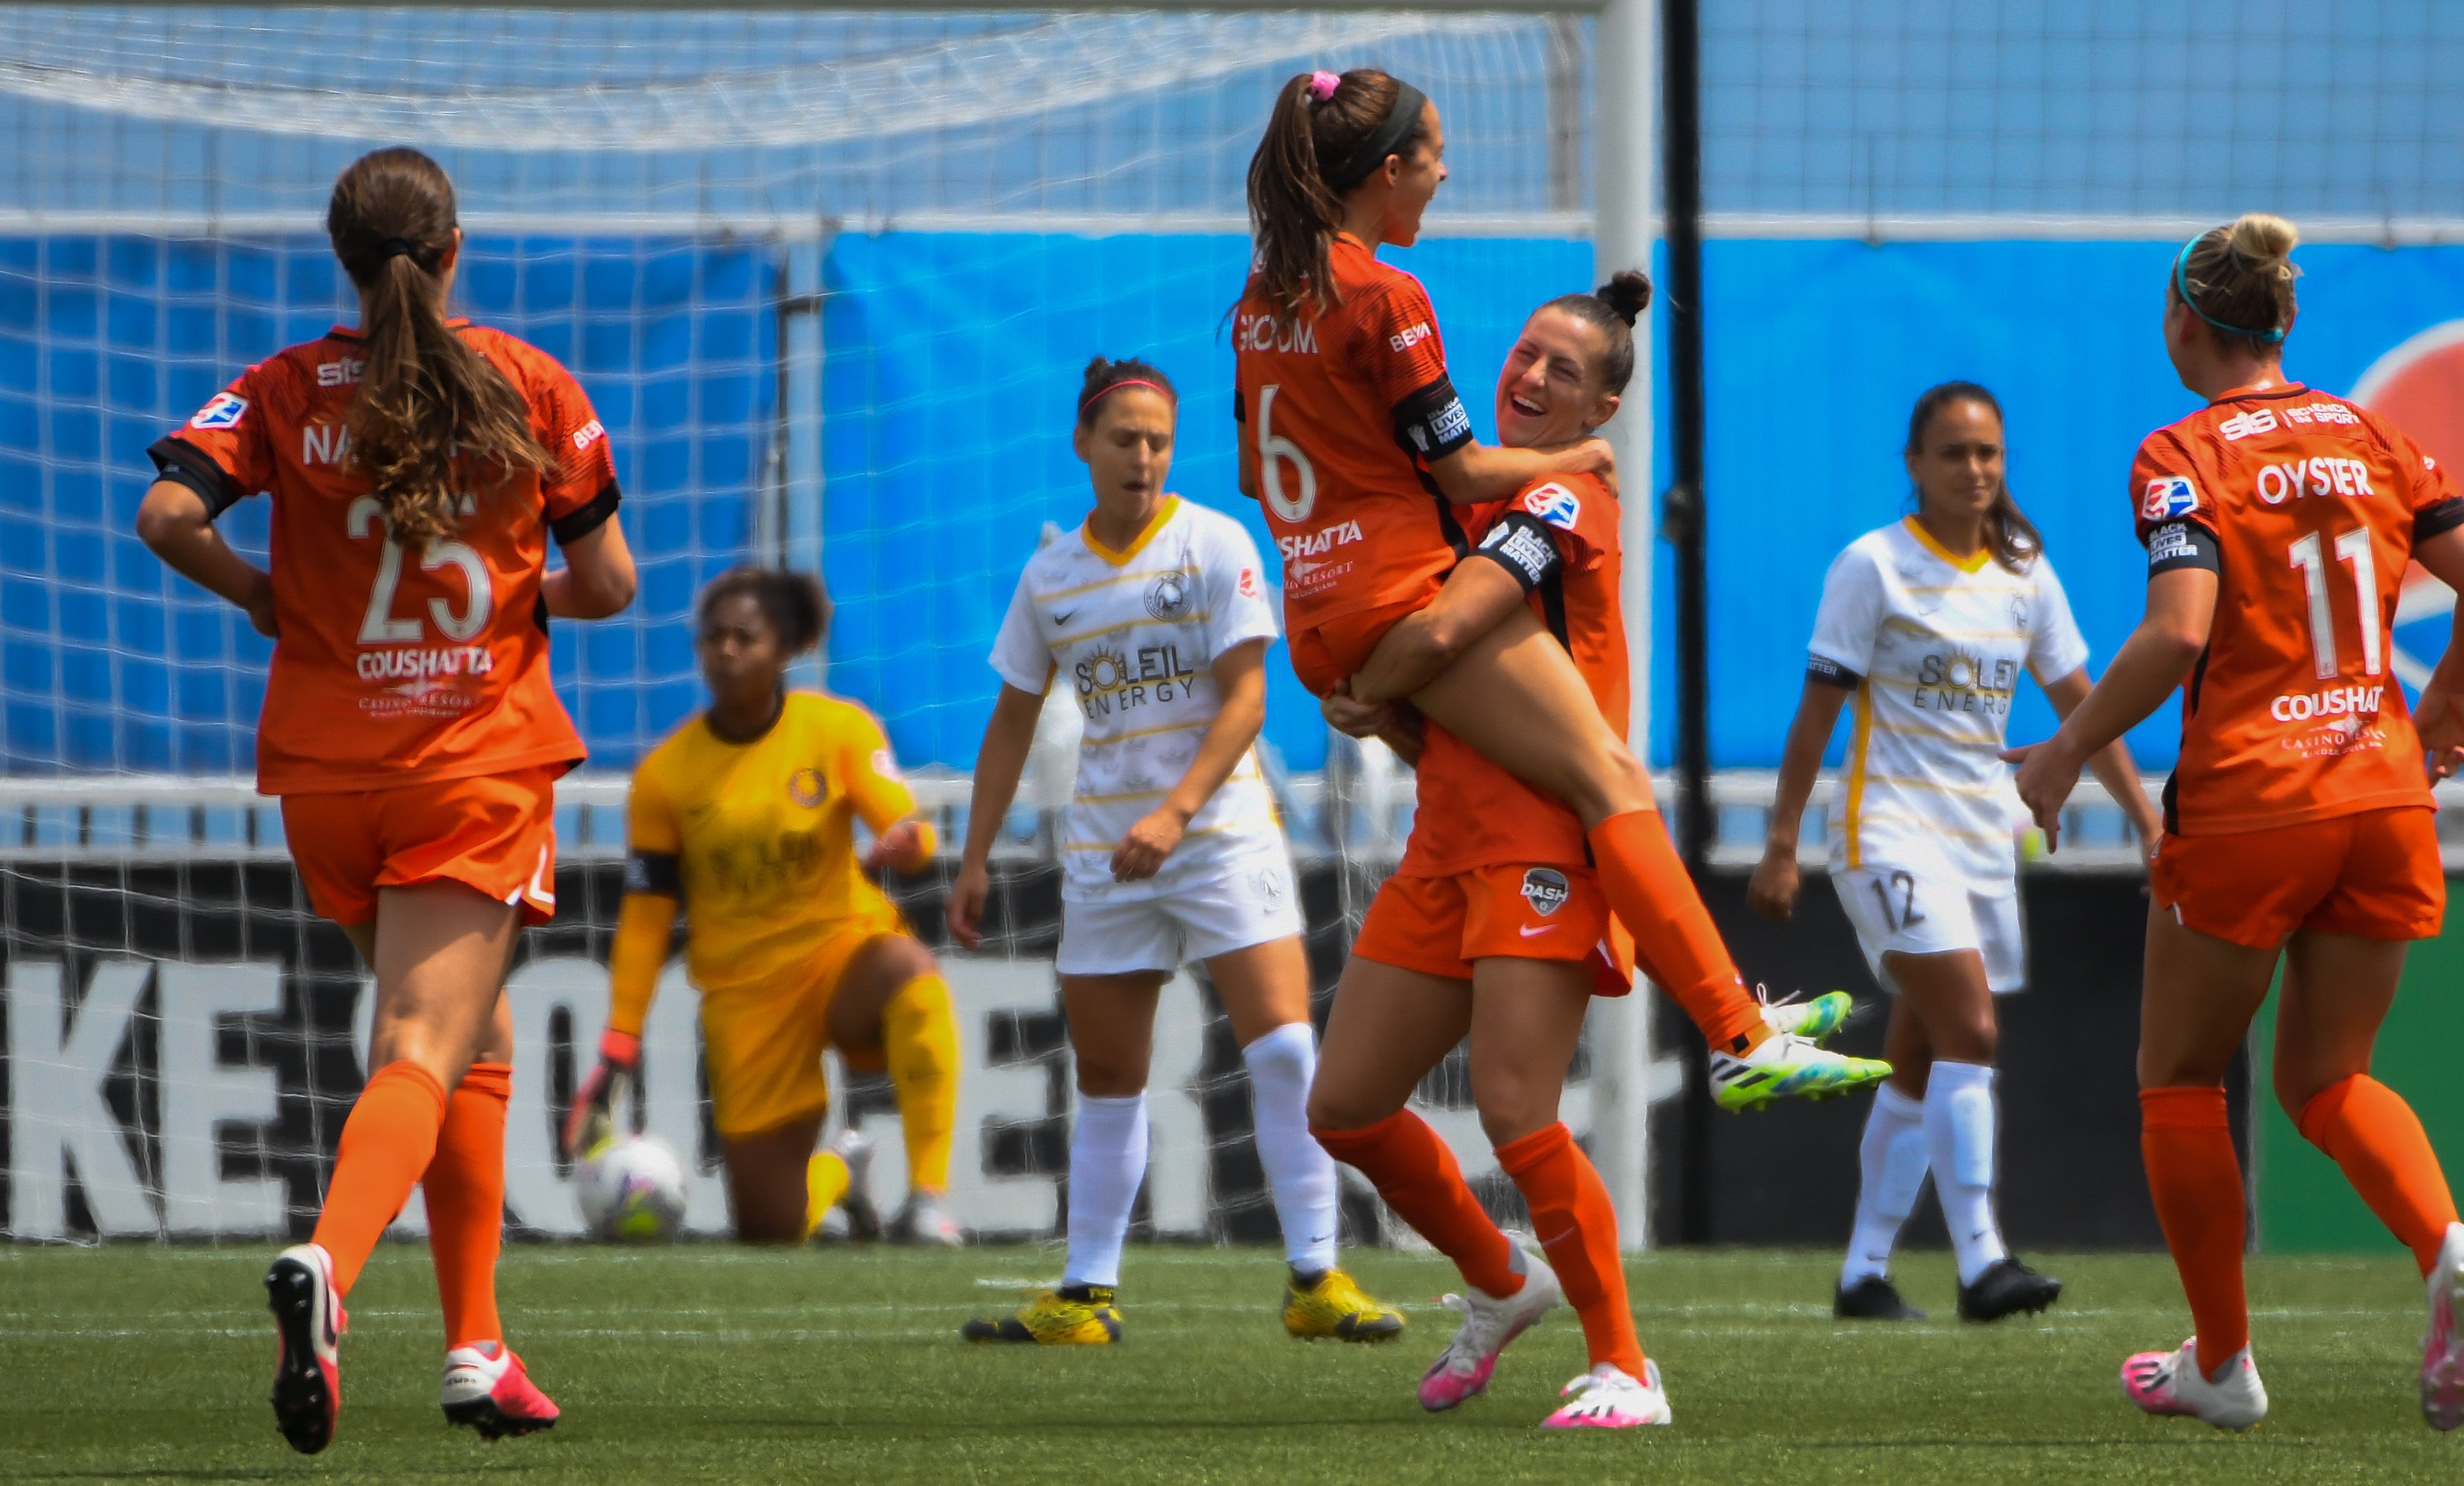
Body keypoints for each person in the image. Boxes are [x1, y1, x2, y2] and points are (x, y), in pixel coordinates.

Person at [1234, 65, 1881, 1108]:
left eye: (1558, 371)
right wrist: (1573, 458)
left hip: (1318, 602)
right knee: (1611, 784)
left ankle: (1504, 1274)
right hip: (1394, 606)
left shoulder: (1260, 302)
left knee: (1352, 1109)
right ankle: (1736, 1029)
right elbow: (1454, 488)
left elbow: (1259, 473)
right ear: (1388, 168)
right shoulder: (1389, 298)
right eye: (1434, 155)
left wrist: (1350, 677)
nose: (1444, 173)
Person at [135, 146, 637, 1453]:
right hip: (468, 764)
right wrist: (525, 600)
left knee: (473, 1041)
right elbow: (612, 583)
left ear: (343, 259)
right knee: (423, 1042)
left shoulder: (284, 386)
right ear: (455, 248)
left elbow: (163, 514)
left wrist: (261, 594)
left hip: (325, 771)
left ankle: (477, 1344)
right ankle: (330, 1268)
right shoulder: (526, 382)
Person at [2009, 214, 2464, 1433]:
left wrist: (2065, 749)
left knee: (2178, 1078)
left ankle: (2223, 1364)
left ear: (2182, 320)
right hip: (2383, 794)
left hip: (2250, 801)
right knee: (2329, 1075)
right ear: (2283, 322)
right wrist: (2446, 694)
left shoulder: (2180, 453)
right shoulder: (2373, 434)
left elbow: (2179, 630)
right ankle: (2442, 1238)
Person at [1310, 275, 1849, 1428]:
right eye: (1522, 353)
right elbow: (1436, 680)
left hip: (1542, 845)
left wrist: (1363, 674)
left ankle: (1624, 1365)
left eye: (1563, 368)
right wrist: (1377, 698)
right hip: (1442, 843)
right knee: (1344, 1107)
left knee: (1514, 1104)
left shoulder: (1567, 496)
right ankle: (1505, 1282)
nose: (1531, 376)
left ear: (1601, 411)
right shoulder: (1449, 511)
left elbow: (1448, 632)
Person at [948, 356, 1401, 1346]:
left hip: (1220, 836)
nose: (1142, 457)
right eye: (1123, 439)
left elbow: (1248, 696)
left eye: (1157, 439)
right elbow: (1011, 723)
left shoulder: (1213, 541)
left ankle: (1316, 1277)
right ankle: (1085, 1292)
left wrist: (1176, 812)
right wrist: (976, 855)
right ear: (1083, 444)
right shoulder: (1051, 575)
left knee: (1284, 1049)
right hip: (1106, 853)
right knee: (1108, 1073)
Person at [1749, 382, 2164, 1324]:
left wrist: (2146, 821)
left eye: (1988, 454)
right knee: (1970, 1028)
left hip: (1980, 835)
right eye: (1952, 453)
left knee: (1920, 1048)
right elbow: (1815, 713)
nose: (1973, 470)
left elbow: (2081, 707)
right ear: (1914, 464)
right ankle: (1982, 1260)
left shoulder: (2024, 572)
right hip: (1884, 829)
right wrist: (1780, 841)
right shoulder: (1872, 565)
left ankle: (1863, 1271)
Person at [566, 567, 961, 1246]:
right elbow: (646, 916)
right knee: (774, 1230)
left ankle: (928, 1198)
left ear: (785, 649)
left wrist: (910, 840)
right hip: (746, 1000)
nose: (725, 650)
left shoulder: (836, 729)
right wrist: (618, 1042)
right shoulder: (666, 774)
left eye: (744, 636)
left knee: (909, 970)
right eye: (712, 637)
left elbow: (908, 827)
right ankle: (843, 1169)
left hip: (838, 959)